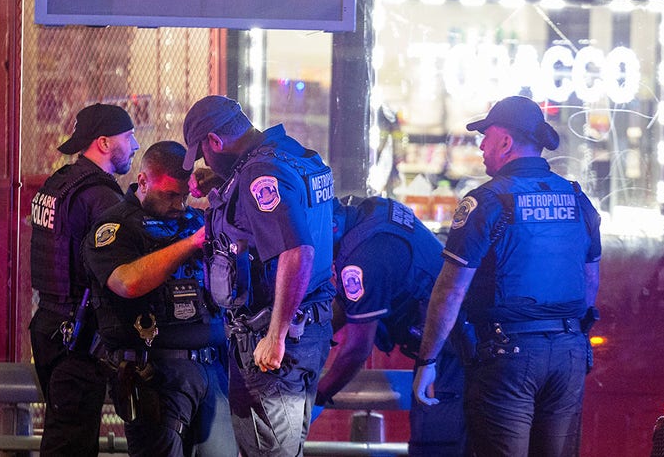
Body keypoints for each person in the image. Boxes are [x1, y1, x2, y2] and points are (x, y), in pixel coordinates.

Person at [413, 95, 602, 456]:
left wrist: (428, 360)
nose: (481, 146)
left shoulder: (487, 201)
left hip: (508, 358)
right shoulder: (577, 199)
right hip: (569, 354)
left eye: (486, 137)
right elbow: (590, 281)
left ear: (505, 142)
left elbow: (450, 291)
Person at [182, 95, 335, 456]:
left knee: (269, 451)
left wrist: (275, 335)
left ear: (215, 141)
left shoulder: (259, 175)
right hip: (307, 331)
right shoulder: (291, 153)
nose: (204, 163)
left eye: (203, 155)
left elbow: (297, 251)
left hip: (272, 341)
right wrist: (225, 181)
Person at [83, 141, 236, 457]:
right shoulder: (116, 228)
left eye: (184, 196)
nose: (179, 204)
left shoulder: (195, 220)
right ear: (143, 181)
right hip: (155, 376)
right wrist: (192, 244)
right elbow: (127, 282)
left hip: (213, 369)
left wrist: (222, 180)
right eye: (169, 195)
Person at [315, 195, 467, 456]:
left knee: (434, 444)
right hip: (452, 338)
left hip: (450, 349)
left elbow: (357, 350)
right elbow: (351, 301)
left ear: (332, 227)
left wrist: (317, 397)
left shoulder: (364, 258)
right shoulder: (374, 211)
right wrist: (313, 334)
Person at [28, 103, 139, 456]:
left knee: (64, 435)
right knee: (70, 444)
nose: (135, 145)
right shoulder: (102, 197)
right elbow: (122, 273)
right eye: (128, 136)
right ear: (104, 143)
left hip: (49, 327)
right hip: (79, 337)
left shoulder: (58, 184)